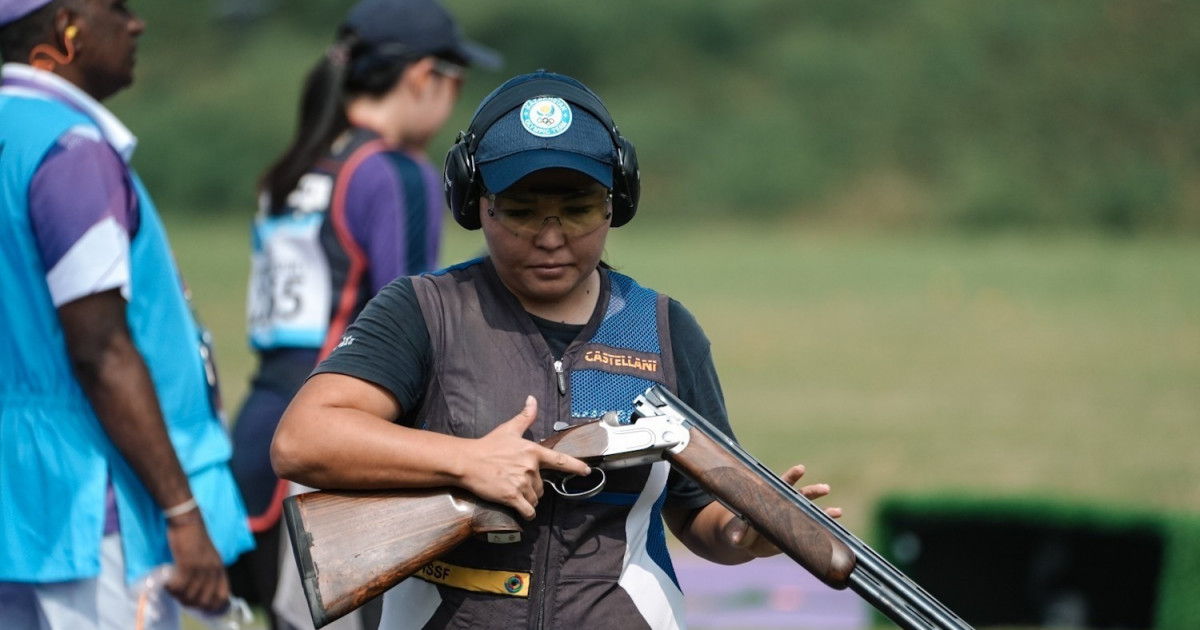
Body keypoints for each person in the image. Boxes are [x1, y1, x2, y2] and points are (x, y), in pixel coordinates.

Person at [270, 69, 843, 629]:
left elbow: (699, 513)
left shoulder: (664, 328)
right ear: (476, 203)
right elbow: (302, 439)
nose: (550, 236)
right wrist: (469, 461)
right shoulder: (423, 310)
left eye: (579, 208)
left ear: (616, 202)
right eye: (521, 210)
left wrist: (745, 536)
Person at [226, 0, 500, 627]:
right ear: (421, 76)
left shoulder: (294, 167)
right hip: (335, 454)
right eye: (454, 81)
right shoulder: (395, 173)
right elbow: (413, 331)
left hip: (257, 440)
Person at [0, 1, 255, 629]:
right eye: (117, 8)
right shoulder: (70, 150)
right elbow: (100, 348)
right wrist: (182, 511)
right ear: (67, 26)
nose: (135, 24)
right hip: (89, 506)